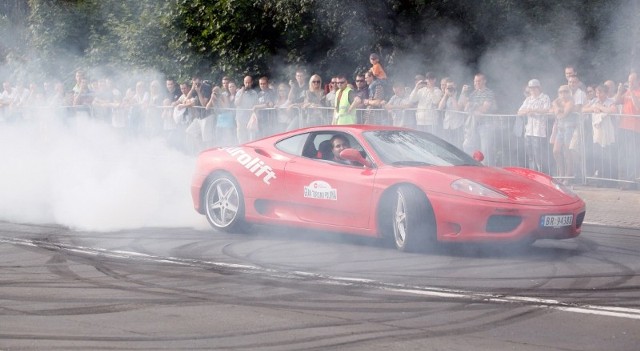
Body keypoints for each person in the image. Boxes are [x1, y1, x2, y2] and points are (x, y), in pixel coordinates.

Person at [460, 73, 497, 165]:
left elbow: (484, 109)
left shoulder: (489, 93)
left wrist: (472, 106)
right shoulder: (473, 94)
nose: (476, 83)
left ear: (484, 81)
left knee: (485, 150)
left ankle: (487, 169)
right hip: (473, 125)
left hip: (486, 125)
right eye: (475, 81)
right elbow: (465, 107)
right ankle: (472, 165)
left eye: (479, 81)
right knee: (468, 145)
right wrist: (463, 92)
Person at [583, 84, 617, 183]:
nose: (598, 94)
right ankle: (600, 178)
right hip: (597, 132)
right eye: (597, 92)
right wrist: (593, 108)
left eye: (600, 92)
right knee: (598, 155)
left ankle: (609, 179)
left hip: (608, 133)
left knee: (608, 155)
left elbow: (612, 111)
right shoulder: (594, 101)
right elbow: (583, 109)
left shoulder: (610, 101)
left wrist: (600, 107)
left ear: (606, 93)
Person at [517, 79, 551, 174]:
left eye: (534, 87)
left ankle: (542, 174)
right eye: (530, 88)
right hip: (529, 131)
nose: (532, 89)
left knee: (539, 156)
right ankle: (533, 174)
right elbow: (519, 112)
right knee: (531, 156)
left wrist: (534, 110)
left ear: (538, 87)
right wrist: (527, 111)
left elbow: (547, 109)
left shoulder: (545, 97)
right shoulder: (528, 99)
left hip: (539, 131)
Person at [615, 71, 640, 189]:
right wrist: (619, 91)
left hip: (635, 129)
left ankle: (631, 181)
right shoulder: (626, 92)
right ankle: (623, 180)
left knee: (632, 155)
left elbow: (638, 106)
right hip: (623, 127)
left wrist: (632, 93)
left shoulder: (638, 92)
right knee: (622, 155)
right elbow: (616, 101)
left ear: (637, 81)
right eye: (629, 80)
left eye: (632, 81)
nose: (630, 83)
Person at [550, 85, 576, 183]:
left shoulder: (570, 102)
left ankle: (568, 176)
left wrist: (556, 107)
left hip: (569, 128)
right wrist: (556, 108)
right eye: (560, 92)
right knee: (556, 151)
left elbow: (563, 115)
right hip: (561, 129)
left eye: (565, 91)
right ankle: (561, 174)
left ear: (569, 92)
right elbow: (552, 111)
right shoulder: (559, 102)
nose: (562, 94)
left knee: (567, 152)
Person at [438, 79, 464, 148]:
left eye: (451, 86)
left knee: (458, 146)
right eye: (448, 87)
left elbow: (458, 109)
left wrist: (452, 96)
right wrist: (446, 95)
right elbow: (440, 108)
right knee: (447, 146)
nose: (450, 88)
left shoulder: (459, 95)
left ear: (455, 86)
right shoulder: (445, 95)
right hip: (447, 124)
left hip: (457, 125)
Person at [235, 75, 258, 144]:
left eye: (249, 82)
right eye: (246, 82)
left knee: (251, 137)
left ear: (251, 83)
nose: (247, 84)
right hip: (240, 118)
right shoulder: (239, 92)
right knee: (241, 137)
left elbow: (256, 104)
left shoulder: (254, 93)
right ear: (244, 82)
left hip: (250, 118)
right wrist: (242, 92)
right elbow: (237, 103)